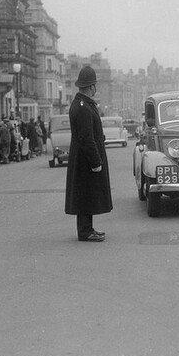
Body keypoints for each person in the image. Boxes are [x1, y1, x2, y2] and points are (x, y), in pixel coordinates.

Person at [65, 66, 112, 242]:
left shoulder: (81, 104)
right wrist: (96, 161)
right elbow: (86, 138)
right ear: (91, 87)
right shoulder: (84, 108)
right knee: (85, 194)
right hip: (85, 159)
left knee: (87, 193)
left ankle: (88, 229)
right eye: (95, 86)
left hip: (81, 158)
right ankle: (85, 231)